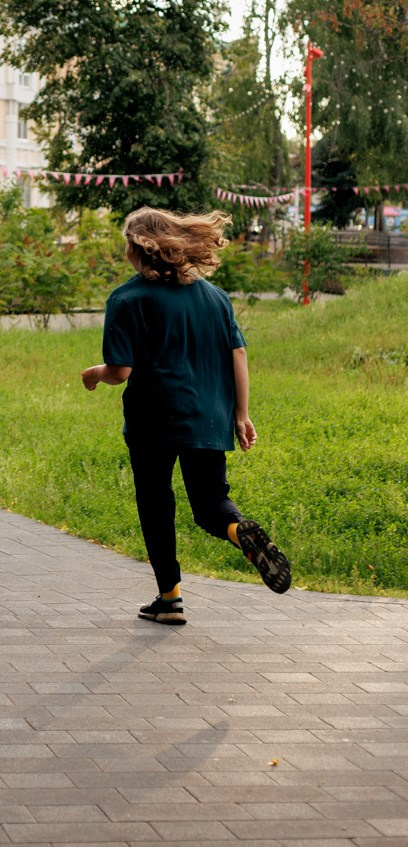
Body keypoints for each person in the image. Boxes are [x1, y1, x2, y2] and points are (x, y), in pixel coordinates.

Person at [82, 206, 291, 625]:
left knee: (156, 503)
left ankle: (170, 598)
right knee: (211, 504)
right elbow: (239, 353)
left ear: (137, 249)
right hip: (208, 416)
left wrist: (92, 374)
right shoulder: (215, 296)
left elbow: (120, 372)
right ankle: (238, 531)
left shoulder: (126, 298)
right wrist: (241, 414)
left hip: (153, 419)